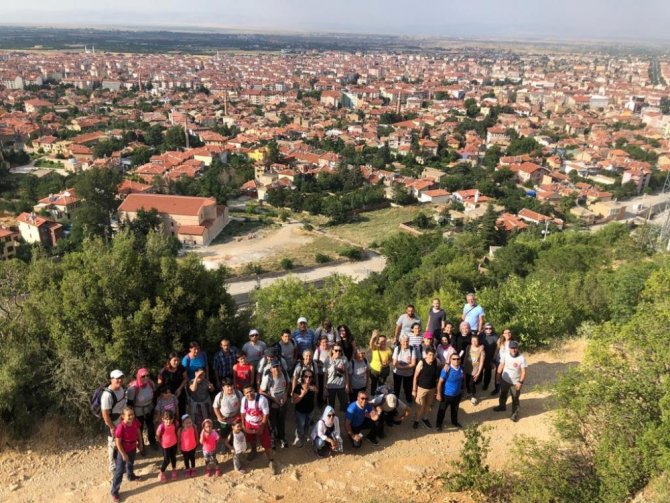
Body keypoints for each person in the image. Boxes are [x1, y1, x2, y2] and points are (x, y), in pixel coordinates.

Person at [240, 384, 277, 473]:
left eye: (251, 391)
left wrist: (262, 427)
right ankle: (254, 451)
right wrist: (243, 425)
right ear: (244, 394)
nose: (249, 394)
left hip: (260, 423)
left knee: (266, 443)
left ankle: (271, 460)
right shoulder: (244, 400)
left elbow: (266, 414)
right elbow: (242, 412)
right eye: (247, 393)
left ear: (254, 390)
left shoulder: (262, 400)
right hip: (249, 423)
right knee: (251, 439)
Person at [110, 407, 144, 503]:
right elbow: (118, 442)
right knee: (119, 471)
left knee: (130, 463)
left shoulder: (135, 422)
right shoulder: (121, 427)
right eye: (129, 415)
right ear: (123, 416)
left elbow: (138, 432)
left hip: (132, 448)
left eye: (132, 414)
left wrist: (140, 443)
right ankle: (114, 492)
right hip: (123, 451)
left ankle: (130, 476)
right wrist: (123, 454)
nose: (131, 416)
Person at [493, 340, 528, 422]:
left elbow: (523, 372)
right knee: (502, 394)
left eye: (515, 348)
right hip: (505, 380)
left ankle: (514, 414)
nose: (513, 350)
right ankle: (502, 406)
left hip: (515, 382)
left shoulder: (521, 358)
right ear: (509, 348)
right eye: (512, 348)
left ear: (517, 348)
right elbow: (501, 366)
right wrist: (498, 377)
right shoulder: (505, 355)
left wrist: (520, 382)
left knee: (515, 398)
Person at [101, 369, 127, 474]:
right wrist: (112, 427)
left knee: (120, 441)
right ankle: (112, 466)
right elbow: (105, 415)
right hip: (112, 422)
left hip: (121, 420)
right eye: (117, 378)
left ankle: (120, 460)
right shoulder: (107, 395)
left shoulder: (121, 389)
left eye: (121, 378)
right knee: (112, 444)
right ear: (111, 379)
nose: (120, 380)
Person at [260, 360, 289, 449]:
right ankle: (272, 439)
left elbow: (288, 384)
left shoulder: (284, 373)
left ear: (280, 367)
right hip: (272, 401)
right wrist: (273, 399)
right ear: (271, 369)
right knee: (272, 422)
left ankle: (282, 437)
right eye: (274, 367)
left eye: (277, 366)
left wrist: (285, 394)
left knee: (281, 420)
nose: (276, 369)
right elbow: (261, 391)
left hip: (282, 400)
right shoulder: (267, 377)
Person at [126, 368, 156, 448]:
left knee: (151, 426)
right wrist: (131, 415)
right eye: (143, 376)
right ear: (139, 376)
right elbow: (129, 403)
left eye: (147, 375)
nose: (146, 378)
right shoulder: (133, 388)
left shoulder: (151, 383)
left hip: (149, 408)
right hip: (138, 411)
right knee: (139, 428)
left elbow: (155, 395)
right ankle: (141, 445)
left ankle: (152, 442)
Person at [436, 353, 465, 431]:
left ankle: (454, 422)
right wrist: (438, 394)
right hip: (446, 394)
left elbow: (462, 379)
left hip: (457, 394)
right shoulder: (446, 369)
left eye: (458, 359)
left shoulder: (461, 368)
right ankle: (439, 424)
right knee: (442, 410)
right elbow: (440, 382)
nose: (456, 361)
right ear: (450, 360)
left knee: (455, 409)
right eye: (454, 359)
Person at [412, 347, 439, 429]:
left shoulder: (436, 362)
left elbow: (437, 377)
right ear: (426, 355)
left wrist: (437, 390)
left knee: (428, 405)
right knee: (420, 406)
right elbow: (415, 377)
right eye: (430, 355)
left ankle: (425, 418)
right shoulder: (421, 363)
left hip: (432, 388)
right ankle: (416, 420)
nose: (431, 357)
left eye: (433, 355)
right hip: (421, 388)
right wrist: (414, 389)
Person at [292, 369, 317, 447]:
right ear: (302, 377)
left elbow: (315, 394)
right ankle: (298, 437)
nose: (308, 378)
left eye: (310, 377)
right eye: (306, 376)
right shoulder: (298, 387)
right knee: (300, 425)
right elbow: (294, 401)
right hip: (300, 411)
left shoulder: (313, 387)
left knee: (307, 424)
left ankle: (305, 435)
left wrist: (315, 389)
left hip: (310, 410)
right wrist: (302, 395)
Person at [157, 353, 188, 418]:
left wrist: (180, 389)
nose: (177, 362)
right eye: (175, 360)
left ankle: (182, 426)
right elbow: (159, 385)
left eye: (178, 360)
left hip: (180, 392)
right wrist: (168, 394)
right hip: (168, 395)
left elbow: (185, 379)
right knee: (170, 413)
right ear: (169, 361)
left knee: (182, 411)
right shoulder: (163, 371)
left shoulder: (181, 368)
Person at [324, 344, 350, 412]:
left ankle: (344, 418)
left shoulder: (344, 359)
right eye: (336, 350)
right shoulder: (327, 361)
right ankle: (331, 419)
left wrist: (347, 385)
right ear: (332, 351)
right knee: (331, 406)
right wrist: (325, 388)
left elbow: (346, 373)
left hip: (341, 386)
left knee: (344, 405)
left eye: (340, 350)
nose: (338, 352)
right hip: (330, 386)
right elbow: (325, 375)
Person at [392, 334, 417, 404]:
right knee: (397, 387)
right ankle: (395, 400)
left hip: (408, 373)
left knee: (408, 387)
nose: (405, 343)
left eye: (407, 341)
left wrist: (401, 367)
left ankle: (408, 399)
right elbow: (394, 363)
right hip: (397, 373)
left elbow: (413, 363)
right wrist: (407, 366)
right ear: (400, 341)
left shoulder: (412, 349)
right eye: (404, 341)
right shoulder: (397, 348)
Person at [156, 410, 179, 482]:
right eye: (166, 419)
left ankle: (174, 470)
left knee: (173, 457)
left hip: (174, 444)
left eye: (170, 419)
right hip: (165, 446)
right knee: (166, 460)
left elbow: (176, 431)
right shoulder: (161, 426)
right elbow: (157, 436)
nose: (168, 421)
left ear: (173, 419)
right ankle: (161, 472)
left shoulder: (174, 424)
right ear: (163, 419)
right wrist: (161, 443)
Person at [491, 329, 515, 396]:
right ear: (503, 334)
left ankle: (505, 391)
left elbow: (516, 354)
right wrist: (493, 359)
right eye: (506, 333)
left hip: (508, 363)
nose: (508, 334)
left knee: (507, 377)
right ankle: (497, 389)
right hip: (500, 362)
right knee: (497, 376)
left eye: (509, 332)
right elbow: (496, 350)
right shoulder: (500, 341)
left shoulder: (513, 342)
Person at [463, 335, 485, 406]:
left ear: (478, 341)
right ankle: (469, 392)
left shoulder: (481, 350)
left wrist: (479, 372)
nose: (474, 342)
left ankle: (473, 396)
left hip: (474, 370)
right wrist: (463, 367)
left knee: (471, 384)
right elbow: (466, 357)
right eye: (473, 341)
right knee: (467, 382)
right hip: (467, 368)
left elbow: (481, 362)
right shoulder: (468, 347)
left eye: (476, 341)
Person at [481, 323, 499, 391]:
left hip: (489, 358)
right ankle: (478, 381)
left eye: (490, 328)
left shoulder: (495, 337)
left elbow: (497, 348)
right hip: (481, 357)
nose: (488, 330)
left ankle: (486, 385)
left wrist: (493, 359)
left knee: (487, 372)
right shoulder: (481, 335)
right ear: (484, 329)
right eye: (486, 328)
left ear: (492, 329)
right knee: (479, 370)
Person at [314, 335, 330, 407]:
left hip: (329, 373)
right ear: (320, 342)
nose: (325, 343)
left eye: (326, 342)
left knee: (327, 387)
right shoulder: (318, 350)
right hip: (320, 373)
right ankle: (320, 402)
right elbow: (314, 362)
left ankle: (326, 401)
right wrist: (323, 366)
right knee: (320, 387)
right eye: (323, 342)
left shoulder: (330, 349)